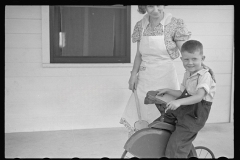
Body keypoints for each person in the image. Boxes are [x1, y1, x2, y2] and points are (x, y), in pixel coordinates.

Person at [120, 5, 192, 137]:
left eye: (159, 5)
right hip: (145, 77)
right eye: (150, 6)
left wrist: (196, 73)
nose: (156, 9)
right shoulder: (140, 25)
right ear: (144, 7)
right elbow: (139, 55)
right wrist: (133, 75)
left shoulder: (174, 24)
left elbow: (185, 53)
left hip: (166, 77)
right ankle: (146, 149)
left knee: (165, 116)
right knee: (142, 113)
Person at [156, 40, 216, 158]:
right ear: (181, 59)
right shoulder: (188, 73)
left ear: (202, 58)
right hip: (185, 110)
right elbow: (183, 93)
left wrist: (178, 102)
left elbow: (198, 97)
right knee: (164, 120)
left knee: (176, 147)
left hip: (195, 115)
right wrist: (168, 90)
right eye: (186, 59)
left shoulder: (204, 76)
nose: (190, 63)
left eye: (194, 59)